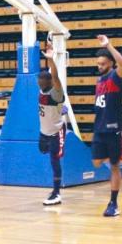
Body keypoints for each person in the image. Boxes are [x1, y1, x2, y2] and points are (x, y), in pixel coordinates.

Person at [91, 34, 122, 217]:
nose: (100, 67)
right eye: (98, 64)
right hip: (99, 128)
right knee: (96, 162)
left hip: (113, 129)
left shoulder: (115, 76)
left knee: (114, 166)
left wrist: (109, 45)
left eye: (103, 64)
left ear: (111, 64)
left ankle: (113, 203)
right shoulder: (99, 81)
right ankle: (114, 163)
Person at [38, 44, 68, 206]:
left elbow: (56, 78)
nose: (40, 82)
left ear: (49, 81)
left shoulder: (55, 92)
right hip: (44, 131)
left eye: (43, 80)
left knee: (54, 161)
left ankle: (56, 193)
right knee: (43, 152)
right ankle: (55, 190)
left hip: (57, 132)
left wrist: (51, 59)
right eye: (39, 79)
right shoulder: (41, 91)